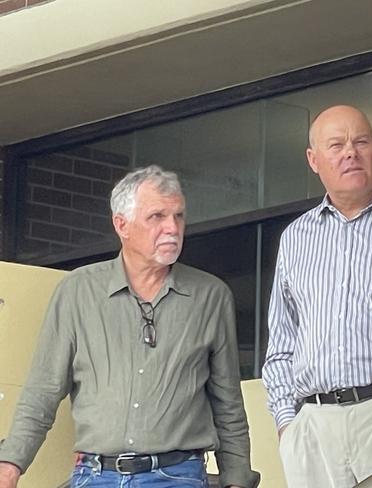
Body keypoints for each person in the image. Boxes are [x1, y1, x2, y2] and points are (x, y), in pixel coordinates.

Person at [0, 165, 258, 488]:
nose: (172, 228)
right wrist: (10, 466)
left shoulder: (210, 296)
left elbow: (228, 404)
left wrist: (237, 480)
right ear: (121, 225)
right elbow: (43, 392)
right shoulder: (79, 290)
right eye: (157, 217)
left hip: (177, 477)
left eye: (178, 216)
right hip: (94, 476)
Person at [262, 105, 372, 488]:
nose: (350, 152)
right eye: (336, 145)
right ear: (314, 160)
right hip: (313, 425)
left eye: (360, 142)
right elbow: (281, 346)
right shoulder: (296, 238)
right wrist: (286, 425)